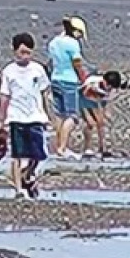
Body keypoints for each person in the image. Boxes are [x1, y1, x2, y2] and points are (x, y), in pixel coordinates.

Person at [0, 32, 51, 198]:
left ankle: (28, 174)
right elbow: (5, 97)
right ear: (15, 52)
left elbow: (44, 93)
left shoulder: (38, 69)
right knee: (17, 155)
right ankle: (18, 188)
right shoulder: (8, 71)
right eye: (22, 52)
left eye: (29, 52)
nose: (26, 56)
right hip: (16, 117)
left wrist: (48, 117)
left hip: (35, 116)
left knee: (38, 155)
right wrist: (1, 120)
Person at [46, 16, 90, 158]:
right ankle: (63, 148)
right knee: (72, 116)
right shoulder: (72, 44)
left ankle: (59, 145)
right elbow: (77, 63)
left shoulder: (54, 42)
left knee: (59, 115)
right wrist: (84, 78)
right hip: (69, 81)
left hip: (55, 79)